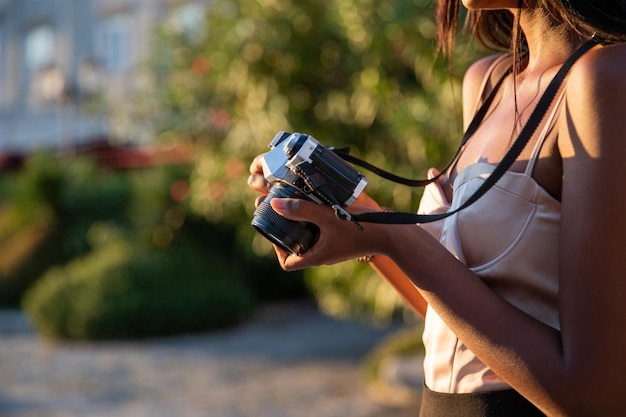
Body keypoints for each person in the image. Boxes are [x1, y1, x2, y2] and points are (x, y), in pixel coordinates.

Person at [247, 1, 626, 415]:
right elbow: (454, 322)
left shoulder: (605, 77)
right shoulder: (489, 82)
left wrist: (392, 234)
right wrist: (356, 216)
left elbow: (591, 397)